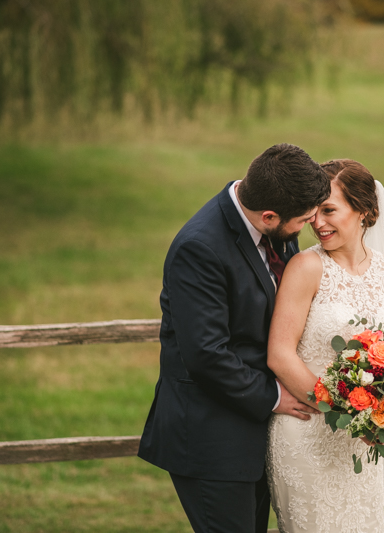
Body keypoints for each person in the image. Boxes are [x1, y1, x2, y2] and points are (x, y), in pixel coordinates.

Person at [138, 143, 330, 533]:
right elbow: (207, 354)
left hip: (259, 435)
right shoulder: (200, 248)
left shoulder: (271, 215)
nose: (309, 228)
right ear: (269, 215)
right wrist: (276, 397)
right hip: (213, 440)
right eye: (303, 220)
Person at [266, 159, 384, 532]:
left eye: (329, 210)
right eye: (314, 212)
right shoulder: (306, 267)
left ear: (365, 212)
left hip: (360, 443)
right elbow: (279, 353)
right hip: (308, 434)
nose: (317, 223)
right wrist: (346, 410)